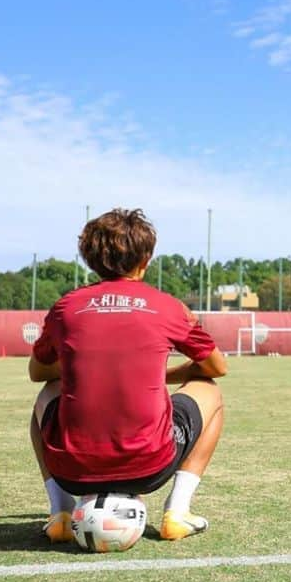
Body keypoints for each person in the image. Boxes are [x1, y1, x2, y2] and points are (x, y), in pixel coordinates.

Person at [29, 208, 226, 544]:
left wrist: (87, 365)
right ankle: (177, 512)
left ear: (89, 259)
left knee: (47, 393)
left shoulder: (66, 307)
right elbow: (217, 368)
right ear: (146, 259)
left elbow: (38, 372)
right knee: (210, 392)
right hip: (150, 467)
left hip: (71, 473)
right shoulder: (167, 306)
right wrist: (160, 374)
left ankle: (60, 512)